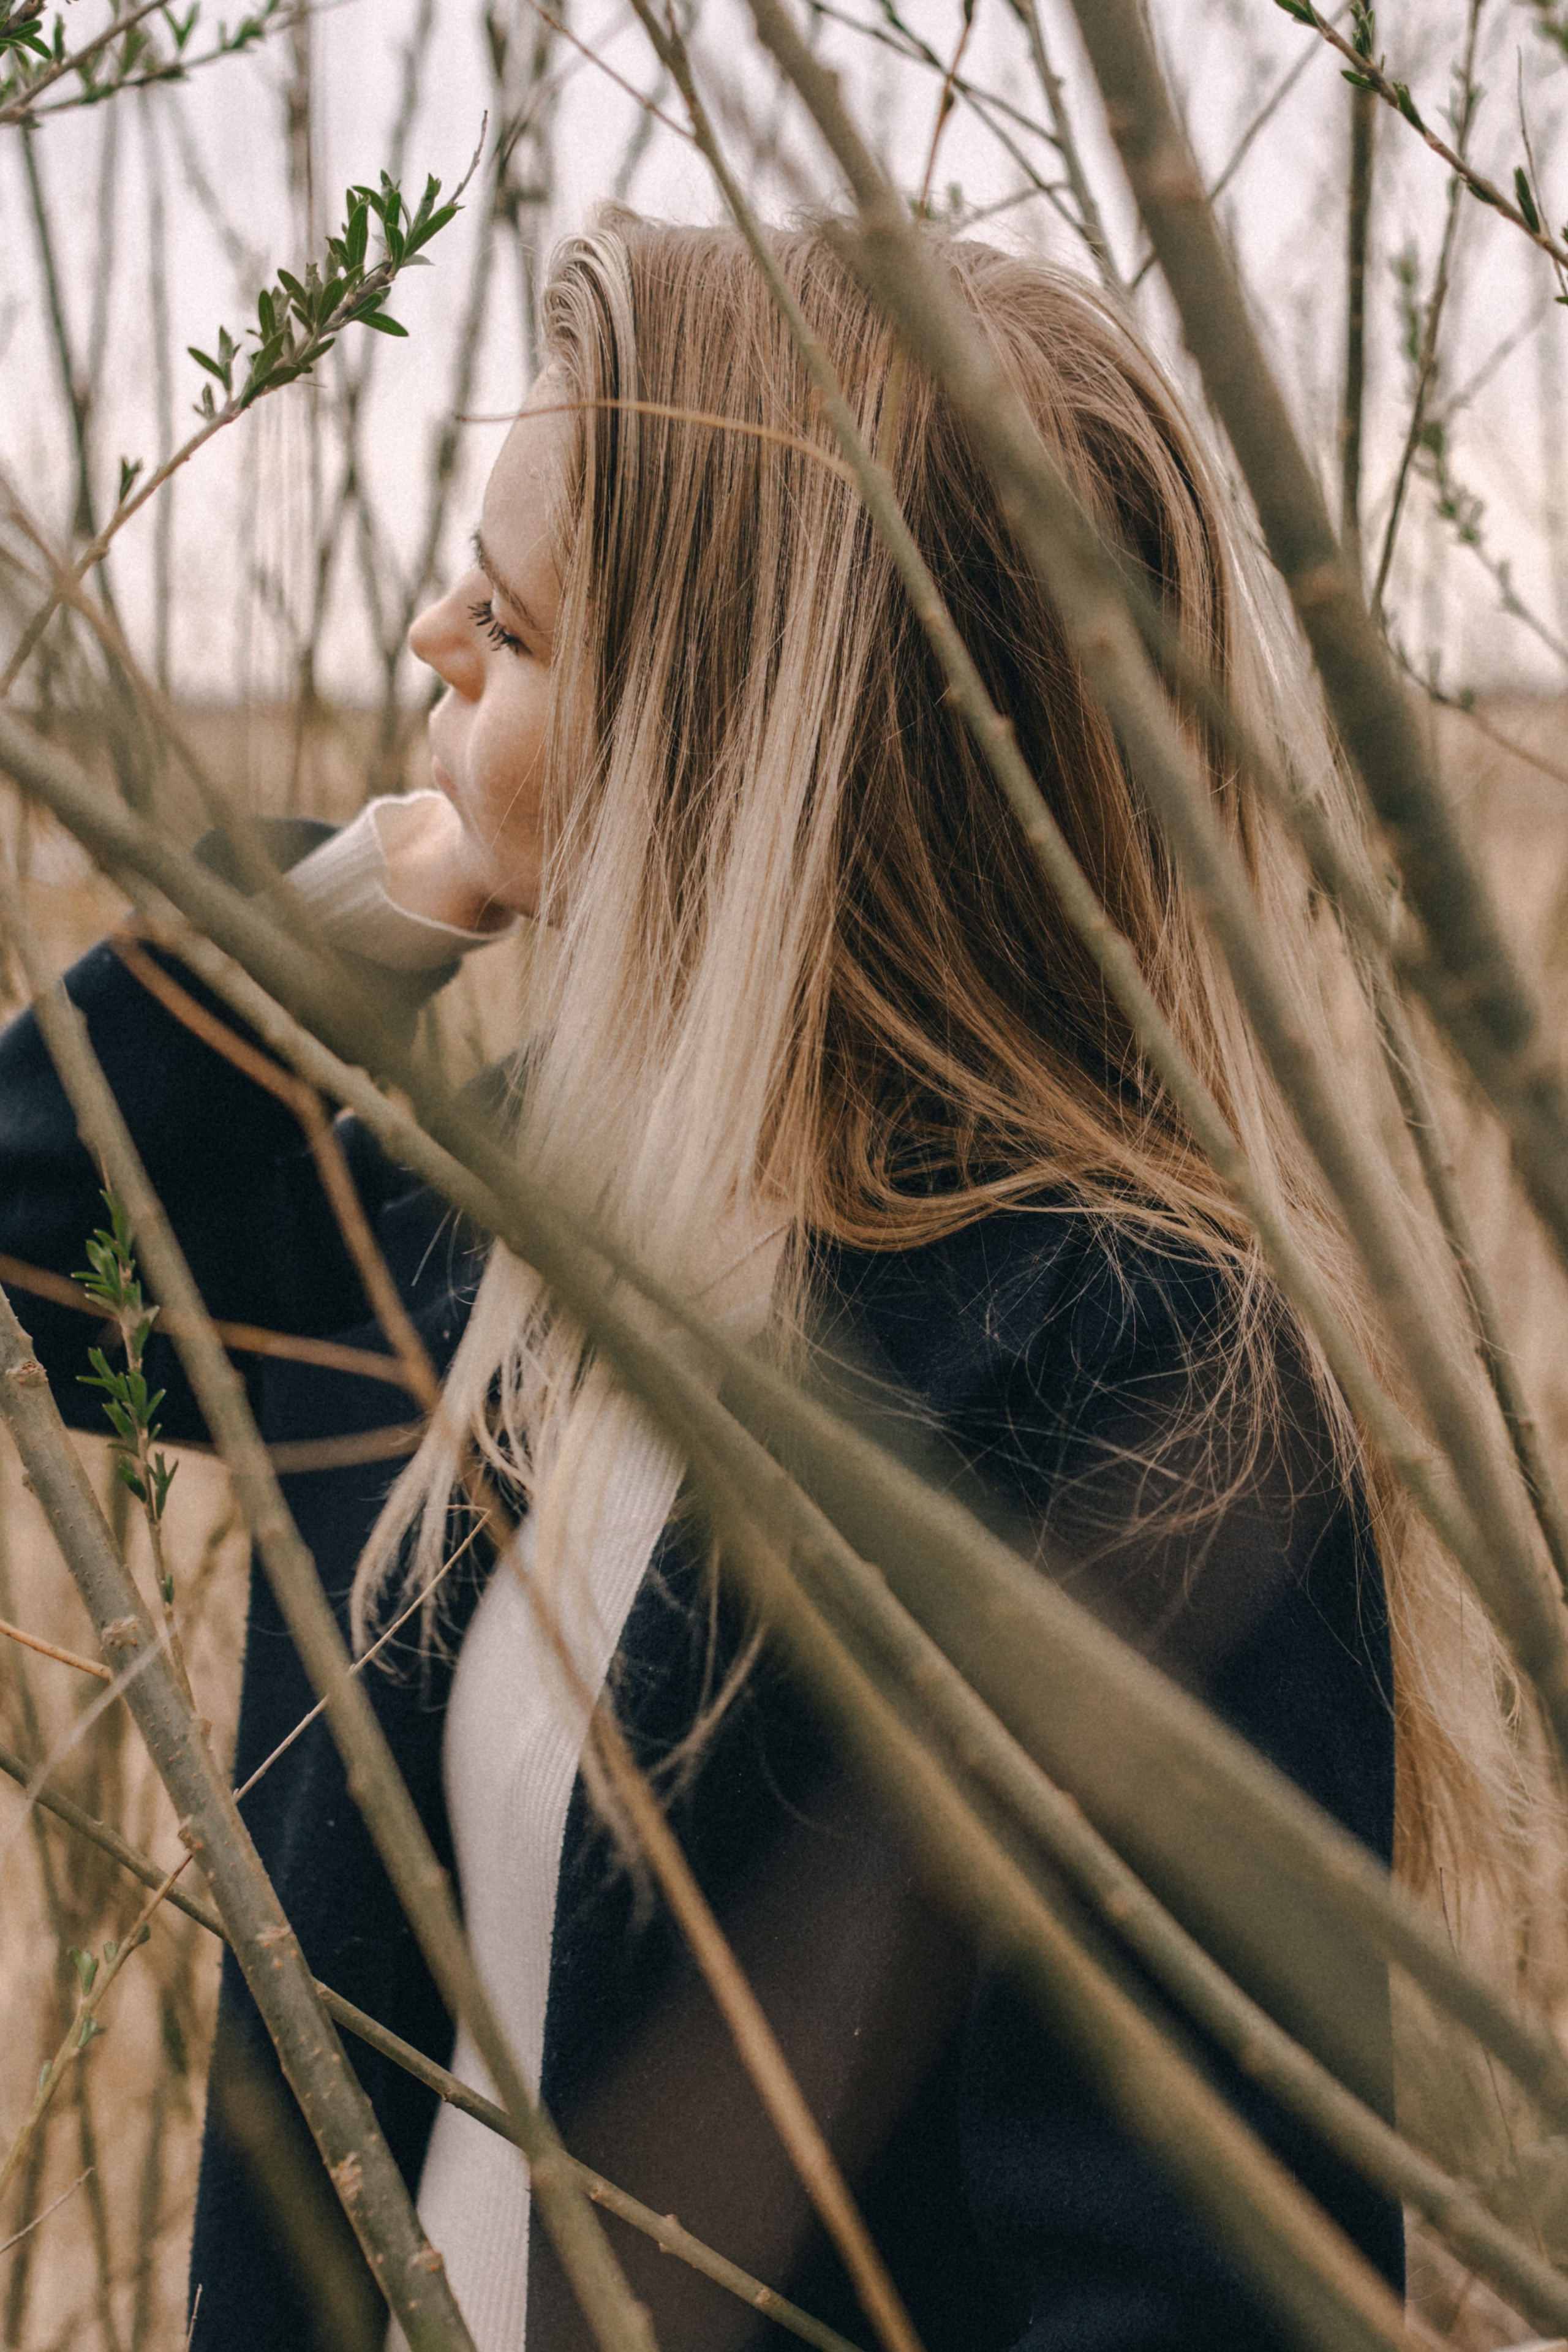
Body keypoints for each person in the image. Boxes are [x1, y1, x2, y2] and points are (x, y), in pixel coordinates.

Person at [0, 213, 1529, 2352]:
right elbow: (69, 1227)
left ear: (733, 747)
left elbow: (1188, 2294)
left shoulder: (1133, 1370)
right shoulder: (505, 1220)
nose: (434, 633)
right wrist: (392, 884)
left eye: (516, 629)